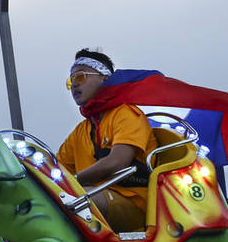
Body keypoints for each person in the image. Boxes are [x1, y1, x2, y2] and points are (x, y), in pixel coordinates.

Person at [58, 49, 158, 232]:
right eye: (71, 81)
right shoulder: (80, 131)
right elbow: (56, 170)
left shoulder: (126, 114)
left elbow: (117, 162)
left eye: (80, 77)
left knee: (74, 200)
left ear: (104, 78)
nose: (74, 85)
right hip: (92, 197)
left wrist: (71, 182)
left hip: (132, 203)